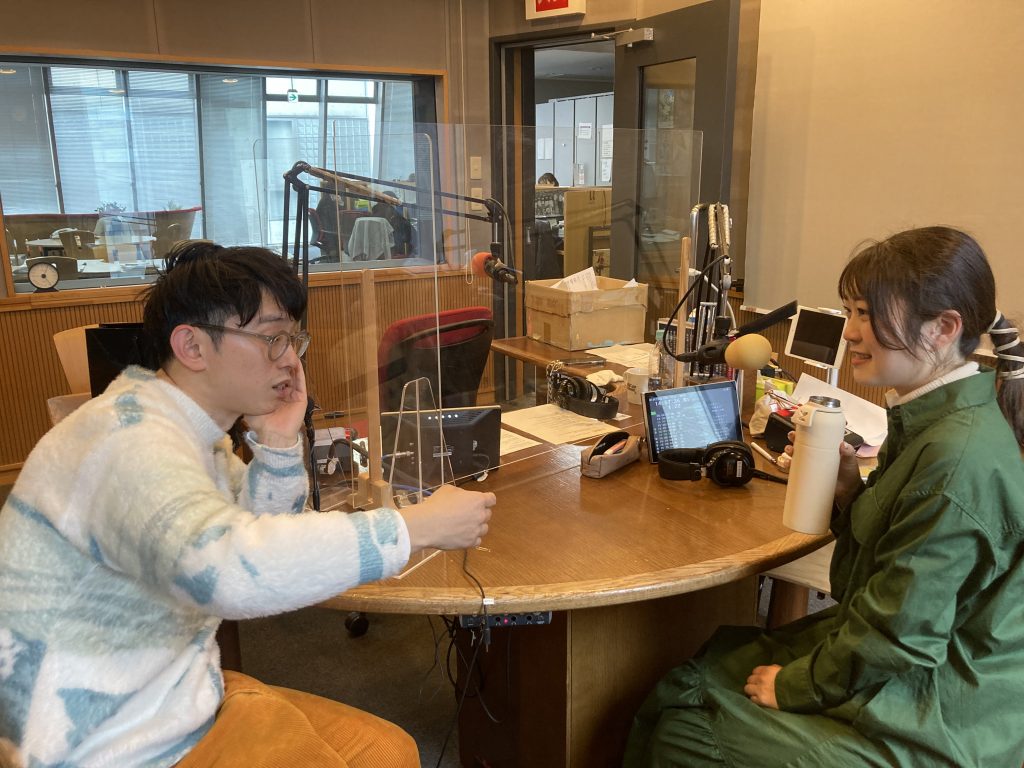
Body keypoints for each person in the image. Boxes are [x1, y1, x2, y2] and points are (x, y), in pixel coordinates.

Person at [0, 241, 494, 767]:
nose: (291, 360)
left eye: (292, 339)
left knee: (386, 751)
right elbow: (230, 571)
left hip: (171, 700)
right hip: (96, 745)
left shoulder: (191, 433)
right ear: (192, 346)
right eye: (271, 338)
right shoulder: (128, 439)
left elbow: (267, 536)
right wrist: (412, 527)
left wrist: (278, 441)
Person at [623, 226, 1024, 767]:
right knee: (704, 667)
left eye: (866, 314)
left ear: (942, 328)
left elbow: (899, 635)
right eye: (850, 311)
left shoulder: (955, 458)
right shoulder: (932, 422)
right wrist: (849, 491)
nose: (850, 333)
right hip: (914, 666)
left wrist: (796, 687)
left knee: (689, 722)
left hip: (940, 714)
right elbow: (879, 583)